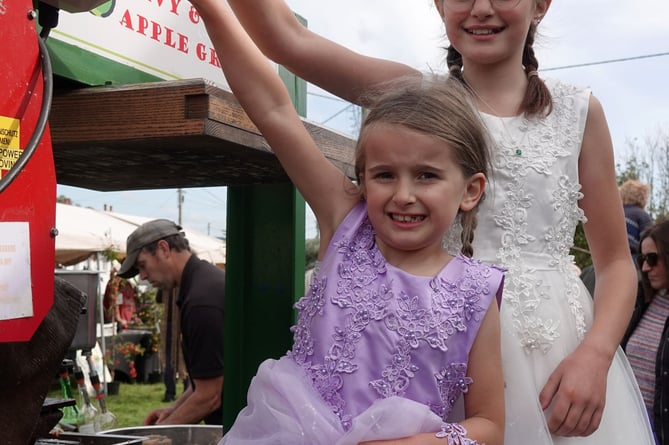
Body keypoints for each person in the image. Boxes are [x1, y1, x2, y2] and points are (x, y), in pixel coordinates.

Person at [221, 0, 655, 443]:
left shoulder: (579, 111)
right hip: (426, 354)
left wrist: (596, 356)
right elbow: (284, 42)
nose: (480, 9)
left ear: (540, 4)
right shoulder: (416, 101)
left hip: (559, 358)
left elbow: (616, 264)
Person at [191, 2, 507, 444]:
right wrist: (210, 7)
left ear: (470, 190)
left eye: (427, 176)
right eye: (384, 175)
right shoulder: (346, 221)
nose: (403, 195)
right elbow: (273, 108)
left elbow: (490, 425)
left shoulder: (478, 291)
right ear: (362, 178)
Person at [117, 219, 225, 425]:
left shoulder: (201, 302)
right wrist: (172, 411)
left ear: (164, 249)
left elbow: (210, 397)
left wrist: (158, 436)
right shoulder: (200, 282)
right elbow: (206, 378)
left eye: (142, 265)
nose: (142, 276)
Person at [622, 220, 669, 444]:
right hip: (629, 428)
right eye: (642, 259)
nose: (645, 268)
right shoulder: (641, 301)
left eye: (652, 259)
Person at [620, 179, 653, 256]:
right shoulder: (643, 215)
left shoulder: (616, 213)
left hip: (612, 257)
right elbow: (649, 241)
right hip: (633, 257)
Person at [103, 260, 138, 329]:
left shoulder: (128, 284)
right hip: (119, 325)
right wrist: (119, 319)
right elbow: (114, 301)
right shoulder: (115, 283)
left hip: (127, 323)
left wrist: (134, 317)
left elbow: (131, 302)